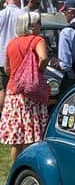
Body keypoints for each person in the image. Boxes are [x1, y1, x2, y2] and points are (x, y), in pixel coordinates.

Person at [0, 11, 49, 163]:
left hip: (14, 92)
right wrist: (38, 71)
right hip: (31, 94)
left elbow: (7, 69)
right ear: (31, 26)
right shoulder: (37, 40)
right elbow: (44, 58)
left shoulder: (11, 43)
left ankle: (16, 169)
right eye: (38, 23)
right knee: (32, 136)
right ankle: (30, 169)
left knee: (17, 139)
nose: (40, 26)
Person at [0, 0, 22, 114]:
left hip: (1, 56)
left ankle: (3, 115)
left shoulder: (1, 14)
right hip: (19, 56)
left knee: (3, 88)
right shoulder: (23, 14)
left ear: (7, 1)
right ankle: (16, 113)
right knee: (18, 88)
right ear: (18, 1)